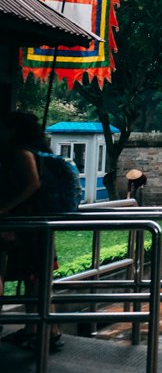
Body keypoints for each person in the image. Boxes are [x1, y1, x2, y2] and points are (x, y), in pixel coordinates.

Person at [0, 112, 63, 352]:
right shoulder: (38, 151)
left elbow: (33, 183)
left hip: (32, 225)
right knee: (37, 278)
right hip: (40, 223)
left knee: (36, 278)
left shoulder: (21, 152)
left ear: (14, 130)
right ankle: (38, 329)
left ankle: (45, 331)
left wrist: (6, 208)